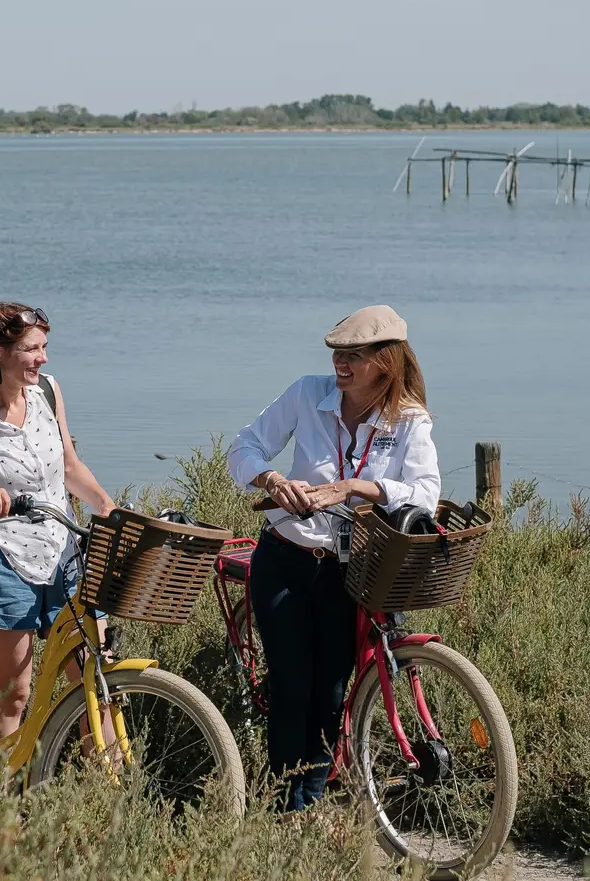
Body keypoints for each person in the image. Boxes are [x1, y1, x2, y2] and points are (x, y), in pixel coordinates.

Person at [227, 305, 440, 811]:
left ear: (386, 361)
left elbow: (426, 494)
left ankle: (313, 800)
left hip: (352, 571)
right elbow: (243, 448)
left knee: (331, 694)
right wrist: (274, 481)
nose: (340, 365)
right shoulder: (306, 393)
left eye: (354, 357)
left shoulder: (409, 419)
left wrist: (353, 488)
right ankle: (285, 810)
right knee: (293, 688)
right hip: (285, 557)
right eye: (337, 355)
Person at [0, 302, 118, 741]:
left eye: (44, 347)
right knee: (13, 694)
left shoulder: (48, 391)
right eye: (32, 349)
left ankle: (105, 793)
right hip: (3, 563)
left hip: (66, 556)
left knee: (94, 680)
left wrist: (106, 505)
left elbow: (69, 466)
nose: (43, 358)